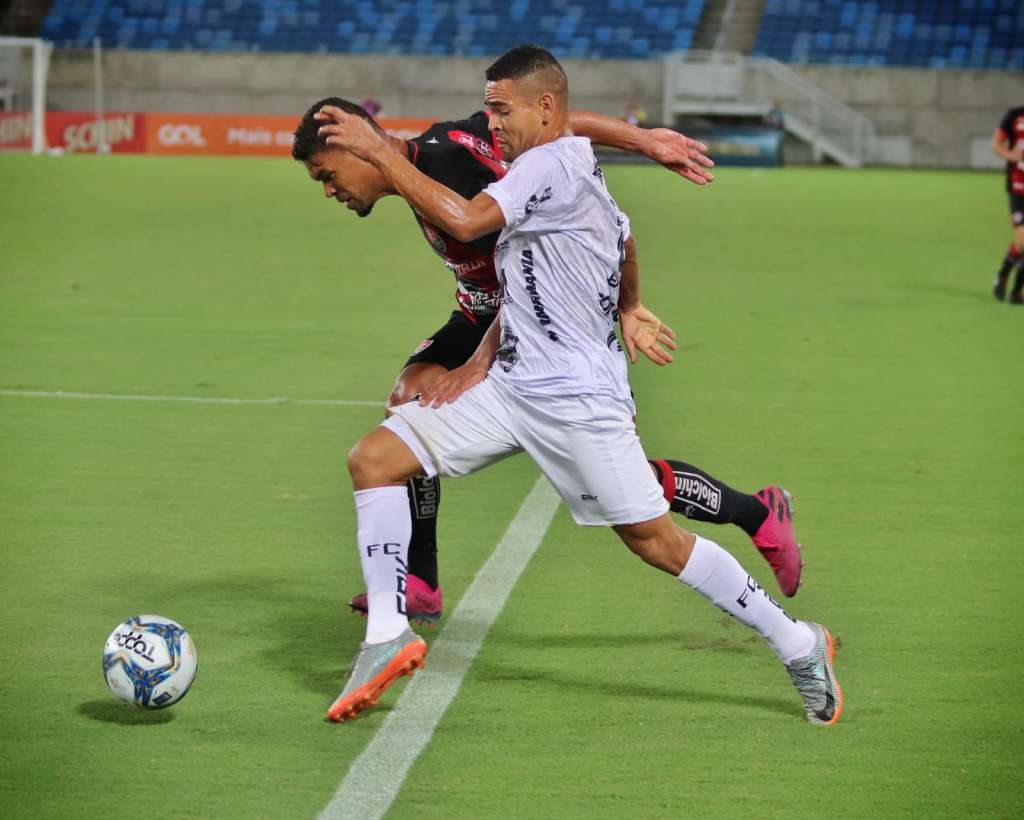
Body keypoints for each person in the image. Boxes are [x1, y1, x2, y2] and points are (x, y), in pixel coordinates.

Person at [314, 45, 842, 726]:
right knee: (374, 458)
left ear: (544, 108)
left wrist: (381, 152)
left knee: (655, 540)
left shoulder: (550, 164)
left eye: (502, 109)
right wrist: (618, 307)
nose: (491, 123)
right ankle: (388, 633)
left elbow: (469, 222)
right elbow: (615, 240)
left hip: (577, 398)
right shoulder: (560, 159)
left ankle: (800, 643)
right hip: (511, 385)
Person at [292, 98, 801, 626]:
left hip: (546, 323)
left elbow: (559, 128)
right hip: (482, 314)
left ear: (355, 146)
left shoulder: (454, 158)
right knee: (407, 402)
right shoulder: (428, 162)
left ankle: (756, 511)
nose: (330, 191)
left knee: (619, 488)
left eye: (327, 175)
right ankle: (420, 581)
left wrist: (645, 141)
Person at [991, 104, 1024, 304]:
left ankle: (1014, 291)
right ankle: (1005, 278)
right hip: (1017, 188)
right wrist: (1010, 155)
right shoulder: (1014, 115)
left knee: (1021, 245)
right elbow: (997, 144)